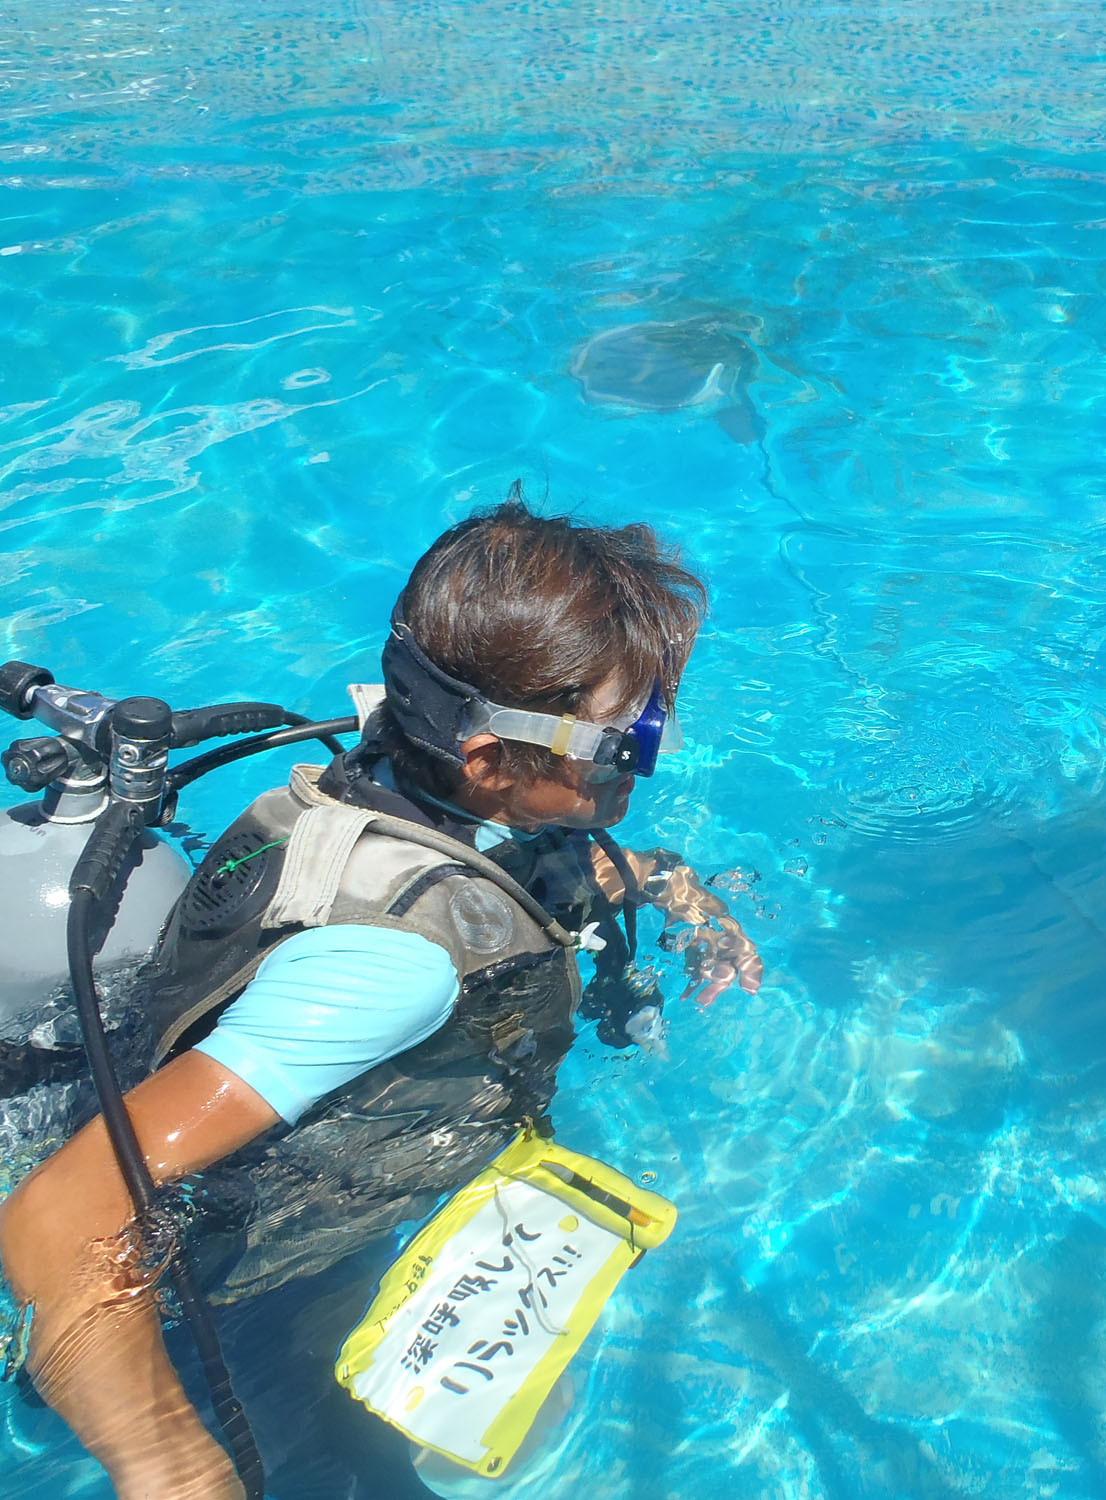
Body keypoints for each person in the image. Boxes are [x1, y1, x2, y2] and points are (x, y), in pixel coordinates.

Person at [0, 492, 761, 1498]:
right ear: (485, 758)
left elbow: (504, 872)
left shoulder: (388, 776)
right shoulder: (392, 969)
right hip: (254, 1270)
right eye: (627, 744)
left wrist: (671, 887)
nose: (649, 761)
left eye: (655, 722)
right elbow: (63, 1218)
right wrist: (173, 1467)